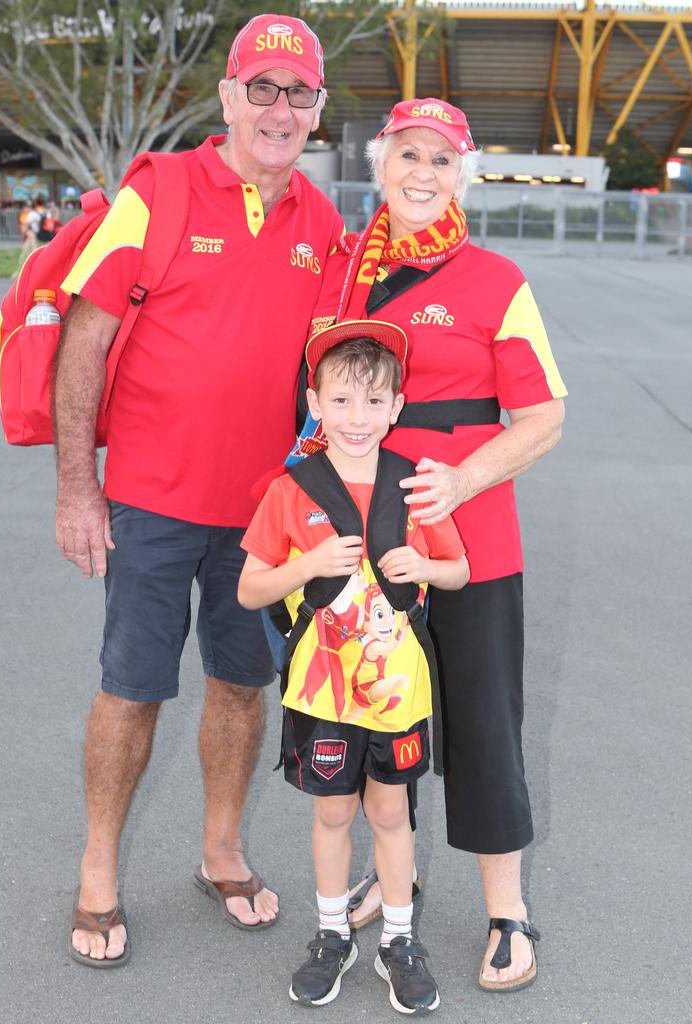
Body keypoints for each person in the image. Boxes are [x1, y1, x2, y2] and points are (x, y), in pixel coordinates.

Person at [53, 13, 344, 966]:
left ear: (317, 112)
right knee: (131, 689)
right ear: (227, 98)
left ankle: (221, 851)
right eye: (261, 88)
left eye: (297, 93)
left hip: (260, 515)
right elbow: (84, 338)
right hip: (147, 498)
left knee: (240, 687)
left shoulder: (324, 222)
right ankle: (99, 870)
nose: (278, 108)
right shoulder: (164, 192)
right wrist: (77, 489)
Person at [301, 98, 567, 992]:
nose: (423, 173)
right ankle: (396, 872)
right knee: (381, 712)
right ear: (379, 165)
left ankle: (506, 909)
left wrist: (460, 481)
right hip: (361, 538)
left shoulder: (496, 279)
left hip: (472, 532)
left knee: (485, 720)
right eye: (407, 154)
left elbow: (545, 417)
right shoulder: (343, 270)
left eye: (441, 160)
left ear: (464, 175)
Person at [238, 322, 468, 1010]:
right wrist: (305, 565)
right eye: (340, 401)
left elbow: (458, 571)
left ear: (397, 406)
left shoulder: (414, 486)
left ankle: (399, 940)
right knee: (335, 813)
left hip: (396, 692)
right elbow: (251, 588)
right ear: (315, 401)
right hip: (323, 693)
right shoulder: (292, 490)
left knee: (392, 813)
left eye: (373, 402)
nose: (357, 418)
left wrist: (425, 565)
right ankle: (331, 933)